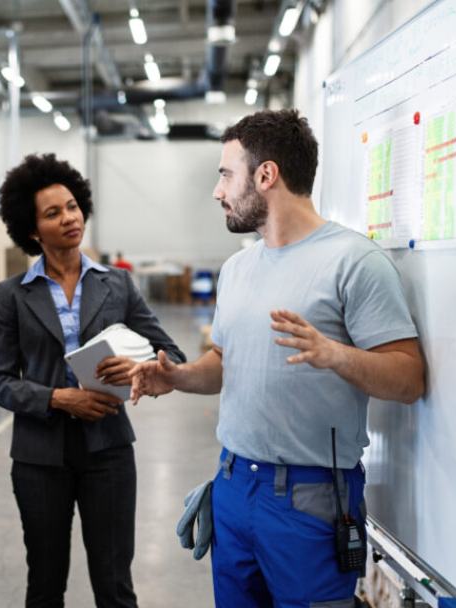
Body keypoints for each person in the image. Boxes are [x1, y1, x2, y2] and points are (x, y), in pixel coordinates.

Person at [130, 109, 426, 608]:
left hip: (310, 499)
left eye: (226, 174)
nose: (217, 190)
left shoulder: (354, 263)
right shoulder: (238, 268)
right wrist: (178, 376)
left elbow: (409, 378)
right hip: (232, 486)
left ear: (265, 175)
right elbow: (224, 362)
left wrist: (335, 354)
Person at [0, 153, 185, 608]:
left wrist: (140, 369)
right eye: (52, 213)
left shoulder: (118, 285)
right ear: (33, 230)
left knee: (115, 585)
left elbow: (171, 354)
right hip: (39, 458)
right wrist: (58, 398)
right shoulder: (13, 296)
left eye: (72, 206)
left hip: (109, 451)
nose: (69, 218)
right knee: (45, 583)